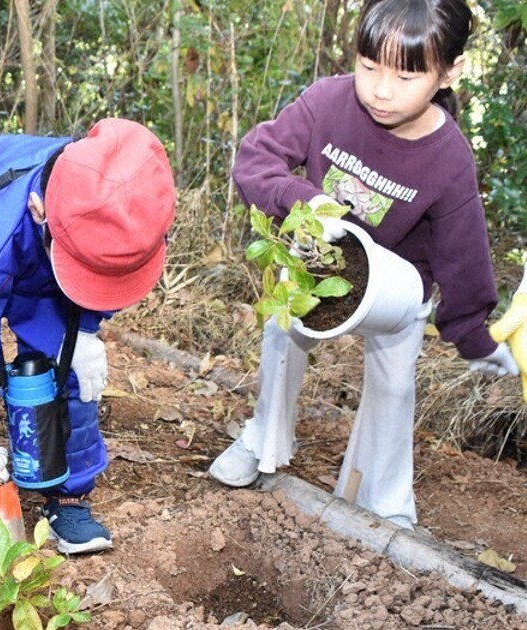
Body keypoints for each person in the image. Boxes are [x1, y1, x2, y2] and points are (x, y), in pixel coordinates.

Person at [208, 0, 519, 528]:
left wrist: (473, 336)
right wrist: (302, 201)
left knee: (394, 390)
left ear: (449, 72)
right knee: (284, 328)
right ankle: (263, 437)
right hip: (321, 259)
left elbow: (462, 256)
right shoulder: (328, 102)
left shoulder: (449, 157)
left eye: (405, 75)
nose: (380, 89)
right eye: (369, 66)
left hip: (397, 286)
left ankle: (383, 502)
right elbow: (256, 159)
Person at [0, 119, 176, 553]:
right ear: (39, 210)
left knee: (65, 375)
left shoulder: (133, 210)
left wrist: (81, 335)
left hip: (58, 248)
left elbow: (111, 276)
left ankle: (68, 497)